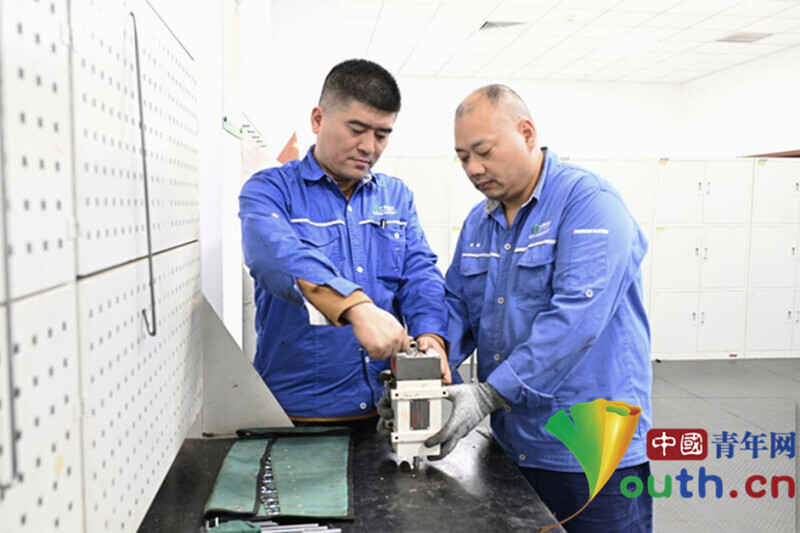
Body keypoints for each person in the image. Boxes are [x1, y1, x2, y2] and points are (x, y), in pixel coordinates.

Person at [424, 85, 653, 532]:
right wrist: (427, 362)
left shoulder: (589, 203)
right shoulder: (480, 221)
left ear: (527, 133)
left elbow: (576, 320)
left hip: (590, 450)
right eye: (462, 157)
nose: (473, 169)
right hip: (512, 443)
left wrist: (489, 394)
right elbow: (458, 305)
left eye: (484, 152)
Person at [239, 59, 449, 430]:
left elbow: (419, 275)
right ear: (318, 119)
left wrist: (431, 335)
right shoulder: (270, 191)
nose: (368, 147)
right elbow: (276, 256)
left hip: (387, 412)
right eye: (356, 129)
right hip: (299, 417)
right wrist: (355, 307)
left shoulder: (396, 197)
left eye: (382, 135)